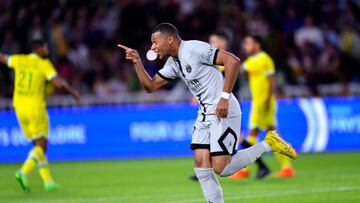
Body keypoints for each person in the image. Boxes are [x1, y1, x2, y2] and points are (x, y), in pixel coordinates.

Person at [118, 23, 297, 203]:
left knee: (222, 169)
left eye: (155, 42)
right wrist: (137, 63)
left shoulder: (194, 48)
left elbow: (232, 61)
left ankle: (269, 143)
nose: (153, 47)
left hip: (224, 110)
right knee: (201, 166)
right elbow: (150, 86)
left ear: (170, 39)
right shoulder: (173, 63)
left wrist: (224, 98)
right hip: (204, 114)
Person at [189, 31, 270, 181]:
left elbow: (212, 82)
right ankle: (205, 168)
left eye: (213, 41)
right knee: (217, 135)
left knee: (236, 138)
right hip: (222, 102)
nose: (210, 44)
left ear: (223, 43)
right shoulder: (222, 59)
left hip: (227, 104)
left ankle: (263, 164)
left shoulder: (225, 59)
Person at [0, 39, 80, 192]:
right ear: (38, 49)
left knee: (37, 146)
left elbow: (3, 58)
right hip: (35, 107)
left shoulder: (19, 59)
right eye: (45, 47)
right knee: (42, 146)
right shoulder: (43, 64)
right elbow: (58, 83)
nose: (47, 50)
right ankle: (23, 172)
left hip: (19, 108)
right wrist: (72, 92)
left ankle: (48, 181)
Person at [230, 35, 296, 179]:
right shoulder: (251, 61)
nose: (246, 46)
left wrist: (268, 99)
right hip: (258, 102)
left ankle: (243, 169)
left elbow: (272, 80)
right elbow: (238, 69)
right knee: (271, 134)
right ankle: (286, 167)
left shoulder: (265, 59)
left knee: (252, 134)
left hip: (264, 102)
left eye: (248, 43)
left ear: (257, 45)